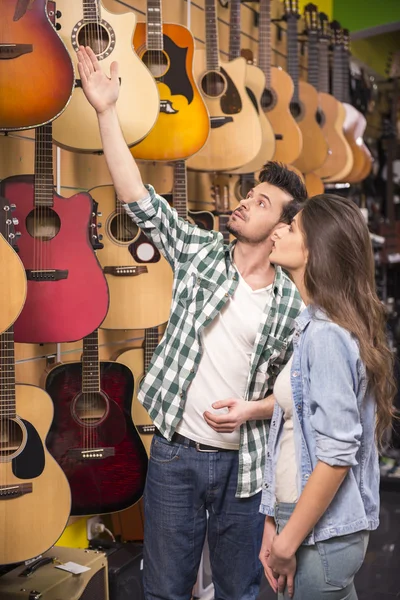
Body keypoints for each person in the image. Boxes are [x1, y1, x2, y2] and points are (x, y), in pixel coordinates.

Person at [76, 46, 307, 600]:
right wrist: (107, 112)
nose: (247, 203)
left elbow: (297, 396)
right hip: (176, 455)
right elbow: (136, 197)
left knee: (238, 591)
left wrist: (253, 409)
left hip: (245, 471)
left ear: (281, 229)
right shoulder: (202, 252)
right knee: (164, 590)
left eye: (262, 202)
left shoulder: (291, 307)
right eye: (250, 195)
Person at [259, 194, 396, 600]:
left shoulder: (326, 336)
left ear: (315, 250)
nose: (278, 229)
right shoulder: (313, 326)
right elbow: (290, 436)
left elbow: (336, 452)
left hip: (317, 535)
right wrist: (272, 520)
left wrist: (287, 541)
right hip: (305, 523)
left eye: (293, 227)